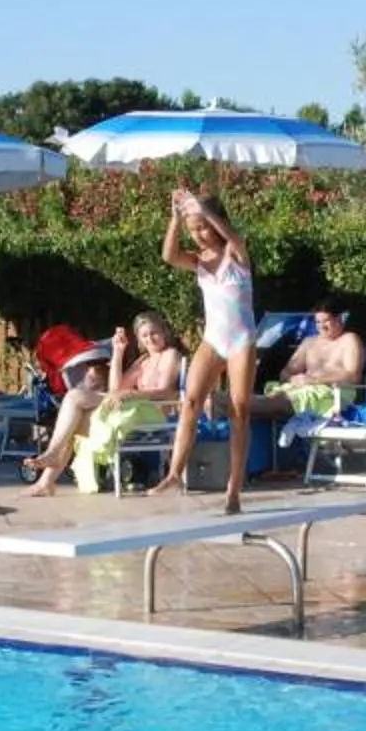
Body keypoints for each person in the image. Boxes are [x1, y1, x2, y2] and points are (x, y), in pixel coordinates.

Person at [156, 186, 256, 513]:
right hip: (214, 340)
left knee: (239, 411)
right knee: (192, 401)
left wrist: (204, 209)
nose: (198, 234)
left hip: (241, 342)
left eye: (202, 227)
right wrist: (176, 216)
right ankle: (173, 473)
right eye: (193, 229)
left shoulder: (237, 253)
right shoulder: (199, 261)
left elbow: (233, 235)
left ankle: (234, 489)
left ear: (215, 223)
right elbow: (168, 256)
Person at [24, 313, 185, 495]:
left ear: (163, 332)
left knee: (73, 413)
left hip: (152, 414)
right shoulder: (143, 361)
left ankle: (49, 472)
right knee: (74, 399)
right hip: (132, 409)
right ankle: (48, 474)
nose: (150, 339)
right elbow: (116, 388)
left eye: (154, 333)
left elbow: (163, 391)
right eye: (145, 335)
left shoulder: (170, 355)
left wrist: (132, 393)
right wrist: (118, 352)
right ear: (139, 339)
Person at [252, 305, 366, 417]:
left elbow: (353, 376)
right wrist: (294, 379)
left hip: (333, 393)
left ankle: (242, 406)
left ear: (338, 320)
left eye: (326, 321)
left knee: (273, 402)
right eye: (318, 322)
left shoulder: (349, 339)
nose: (321, 326)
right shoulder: (309, 342)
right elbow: (285, 373)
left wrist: (314, 380)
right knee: (272, 397)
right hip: (303, 390)